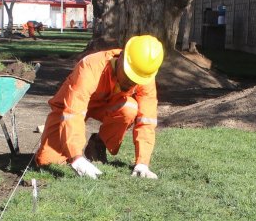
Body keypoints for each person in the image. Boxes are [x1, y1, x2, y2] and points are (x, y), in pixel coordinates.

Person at [35, 35, 164, 179]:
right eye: (129, 76)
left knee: (129, 108)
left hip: (105, 106)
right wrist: (76, 157)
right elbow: (73, 112)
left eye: (136, 80)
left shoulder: (145, 75)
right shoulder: (91, 65)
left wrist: (142, 162)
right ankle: (69, 153)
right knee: (48, 162)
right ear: (121, 58)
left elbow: (147, 120)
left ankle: (97, 145)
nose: (131, 82)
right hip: (68, 107)